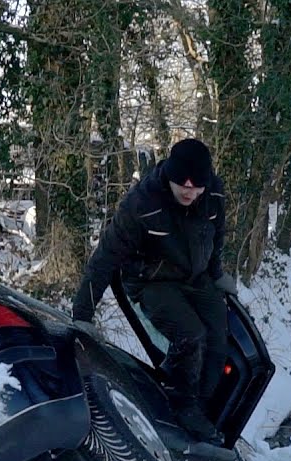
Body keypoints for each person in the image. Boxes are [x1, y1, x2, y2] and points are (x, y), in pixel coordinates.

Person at [71, 138, 238, 444]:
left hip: (195, 276)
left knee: (218, 337)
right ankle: (183, 404)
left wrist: (216, 274)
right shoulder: (143, 204)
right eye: (182, 184)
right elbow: (105, 258)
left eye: (196, 185)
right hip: (152, 279)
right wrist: (82, 314)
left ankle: (200, 408)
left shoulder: (213, 193)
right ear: (170, 176)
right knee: (191, 334)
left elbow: (217, 235)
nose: (189, 191)